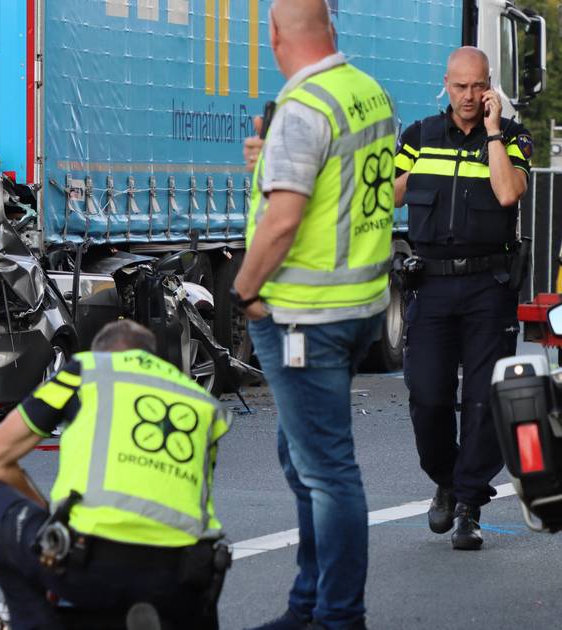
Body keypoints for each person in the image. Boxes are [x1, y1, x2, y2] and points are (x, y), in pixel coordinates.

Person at [234, 0, 396, 628]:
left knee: (327, 473)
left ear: (274, 35)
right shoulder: (366, 90)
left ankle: (335, 616)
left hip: (306, 314)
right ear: (331, 28)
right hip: (356, 306)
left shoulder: (303, 108)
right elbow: (342, 183)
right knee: (303, 458)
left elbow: (283, 223)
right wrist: (269, 160)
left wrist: (243, 293)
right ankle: (311, 605)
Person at [0, 320, 232, 630]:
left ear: (103, 352)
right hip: (184, 578)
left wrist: (49, 516)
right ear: (151, 357)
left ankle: (38, 623)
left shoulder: (87, 369)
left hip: (89, 563)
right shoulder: (201, 400)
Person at [392, 47, 531, 551]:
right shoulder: (419, 136)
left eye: (478, 87)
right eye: (460, 87)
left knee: (482, 399)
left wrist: (494, 131)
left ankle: (469, 504)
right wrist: (421, 172)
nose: (469, 97)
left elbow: (508, 191)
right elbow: (389, 194)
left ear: (490, 87)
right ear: (445, 85)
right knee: (427, 396)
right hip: (429, 283)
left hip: (487, 286)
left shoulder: (513, 137)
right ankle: (447, 479)